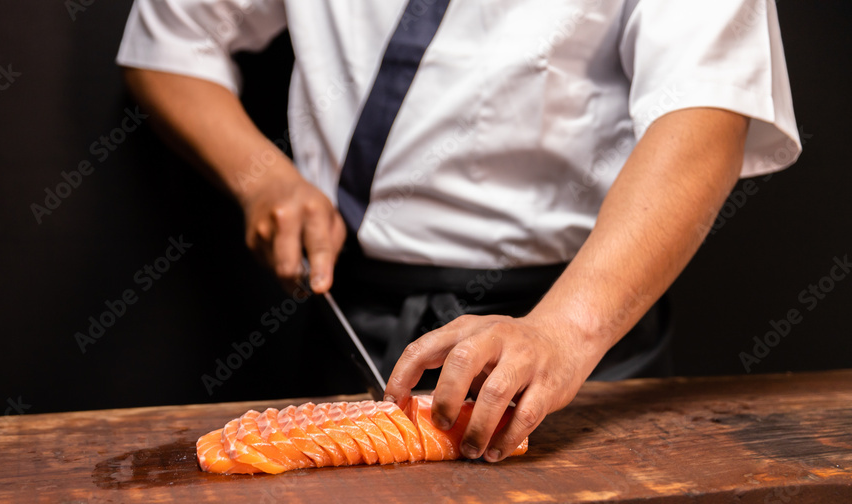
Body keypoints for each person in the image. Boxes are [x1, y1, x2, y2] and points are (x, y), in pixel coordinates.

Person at [116, 0, 800, 462]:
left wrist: (563, 331)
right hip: (359, 322)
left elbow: (707, 114)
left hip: (584, 334)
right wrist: (262, 175)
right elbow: (168, 39)